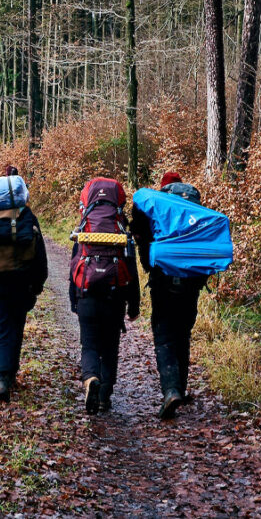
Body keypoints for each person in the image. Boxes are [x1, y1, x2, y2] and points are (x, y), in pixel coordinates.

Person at [130, 171, 209, 419]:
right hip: (191, 283)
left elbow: (140, 234)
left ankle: (171, 390)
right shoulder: (193, 208)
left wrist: (148, 266)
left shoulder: (157, 206)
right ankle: (180, 389)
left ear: (163, 188)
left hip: (163, 281)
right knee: (182, 334)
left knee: (164, 334)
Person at [0, 165, 48, 402]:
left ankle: (2, 379)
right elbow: (40, 253)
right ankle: (11, 373)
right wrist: (37, 283)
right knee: (16, 326)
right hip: (21, 282)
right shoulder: (25, 215)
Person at [68, 178, 140, 414]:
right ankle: (104, 396)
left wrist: (74, 300)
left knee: (89, 344)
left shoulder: (83, 230)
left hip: (87, 294)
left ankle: (91, 379)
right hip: (114, 295)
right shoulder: (122, 232)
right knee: (110, 346)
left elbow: (73, 267)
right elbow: (132, 271)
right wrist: (134, 305)